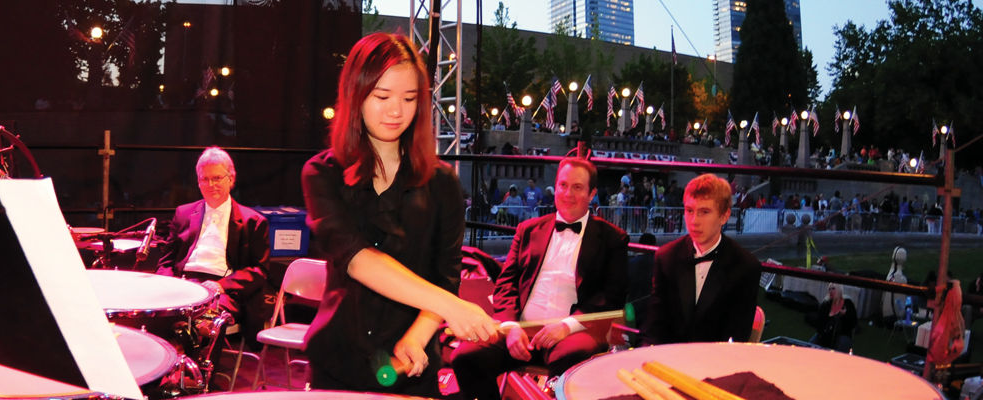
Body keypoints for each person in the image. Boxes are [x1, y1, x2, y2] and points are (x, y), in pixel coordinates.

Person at [299, 32, 496, 396]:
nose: (396, 111)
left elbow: (446, 274)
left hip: (412, 366)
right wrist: (453, 308)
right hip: (339, 358)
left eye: (408, 98)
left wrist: (419, 335)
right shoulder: (321, 172)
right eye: (382, 96)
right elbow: (357, 259)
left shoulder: (442, 183)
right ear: (355, 95)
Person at [450, 158, 629, 400]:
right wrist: (511, 327)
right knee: (465, 357)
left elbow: (611, 297)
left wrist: (566, 326)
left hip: (572, 334)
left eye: (577, 187)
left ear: (592, 193)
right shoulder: (528, 229)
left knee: (572, 357)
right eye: (563, 185)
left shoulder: (612, 239)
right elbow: (506, 285)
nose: (567, 193)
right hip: (520, 332)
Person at [158, 146, 272, 337]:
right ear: (198, 183)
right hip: (185, 283)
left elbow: (260, 271)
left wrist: (222, 285)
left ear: (231, 179)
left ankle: (199, 365)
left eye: (217, 178)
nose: (211, 184)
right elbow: (166, 262)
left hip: (224, 289)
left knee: (200, 322)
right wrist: (169, 284)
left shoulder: (253, 221)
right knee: (151, 312)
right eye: (205, 179)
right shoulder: (183, 214)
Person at [639, 174, 760, 345]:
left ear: (724, 216)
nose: (694, 221)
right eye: (689, 211)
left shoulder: (745, 267)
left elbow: (734, 338)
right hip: (667, 361)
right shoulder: (666, 257)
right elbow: (654, 325)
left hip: (715, 364)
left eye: (704, 212)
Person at [808, 283, 857, 351]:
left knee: (842, 343)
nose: (831, 291)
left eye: (833, 289)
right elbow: (819, 322)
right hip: (825, 333)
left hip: (842, 334)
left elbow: (853, 323)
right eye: (829, 289)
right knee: (810, 345)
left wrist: (845, 315)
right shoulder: (826, 303)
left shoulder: (847, 302)